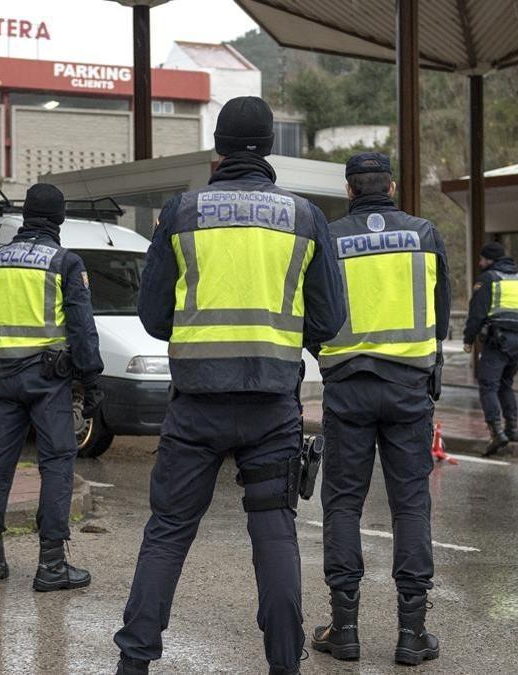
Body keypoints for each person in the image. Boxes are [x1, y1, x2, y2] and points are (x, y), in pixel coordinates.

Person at [113, 96, 346, 675]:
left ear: (218, 146)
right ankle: (283, 665)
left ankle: (135, 662)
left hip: (196, 404)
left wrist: (199, 335)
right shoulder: (304, 216)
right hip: (272, 404)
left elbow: (152, 314)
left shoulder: (182, 211)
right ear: (269, 146)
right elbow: (328, 317)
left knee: (167, 532)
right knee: (275, 536)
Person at [309, 152, 449, 666]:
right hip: (410, 388)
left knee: (343, 504)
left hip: (348, 387)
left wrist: (326, 359)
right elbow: (441, 312)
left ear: (349, 190)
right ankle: (412, 635)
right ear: (391, 186)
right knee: (410, 504)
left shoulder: (330, 236)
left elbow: (314, 312)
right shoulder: (424, 234)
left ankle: (344, 630)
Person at [0, 183, 105, 589]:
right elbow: (81, 329)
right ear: (59, 218)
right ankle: (51, 567)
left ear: (26, 215)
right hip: (48, 382)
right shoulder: (65, 263)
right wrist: (91, 380)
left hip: (2, 380)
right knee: (57, 465)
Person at [462, 241, 518, 456]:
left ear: (490, 260)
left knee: (488, 385)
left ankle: (496, 432)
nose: (479, 262)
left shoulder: (488, 279)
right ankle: (512, 428)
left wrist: (468, 339)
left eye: (482, 259)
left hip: (497, 340)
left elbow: (477, 313)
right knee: (506, 385)